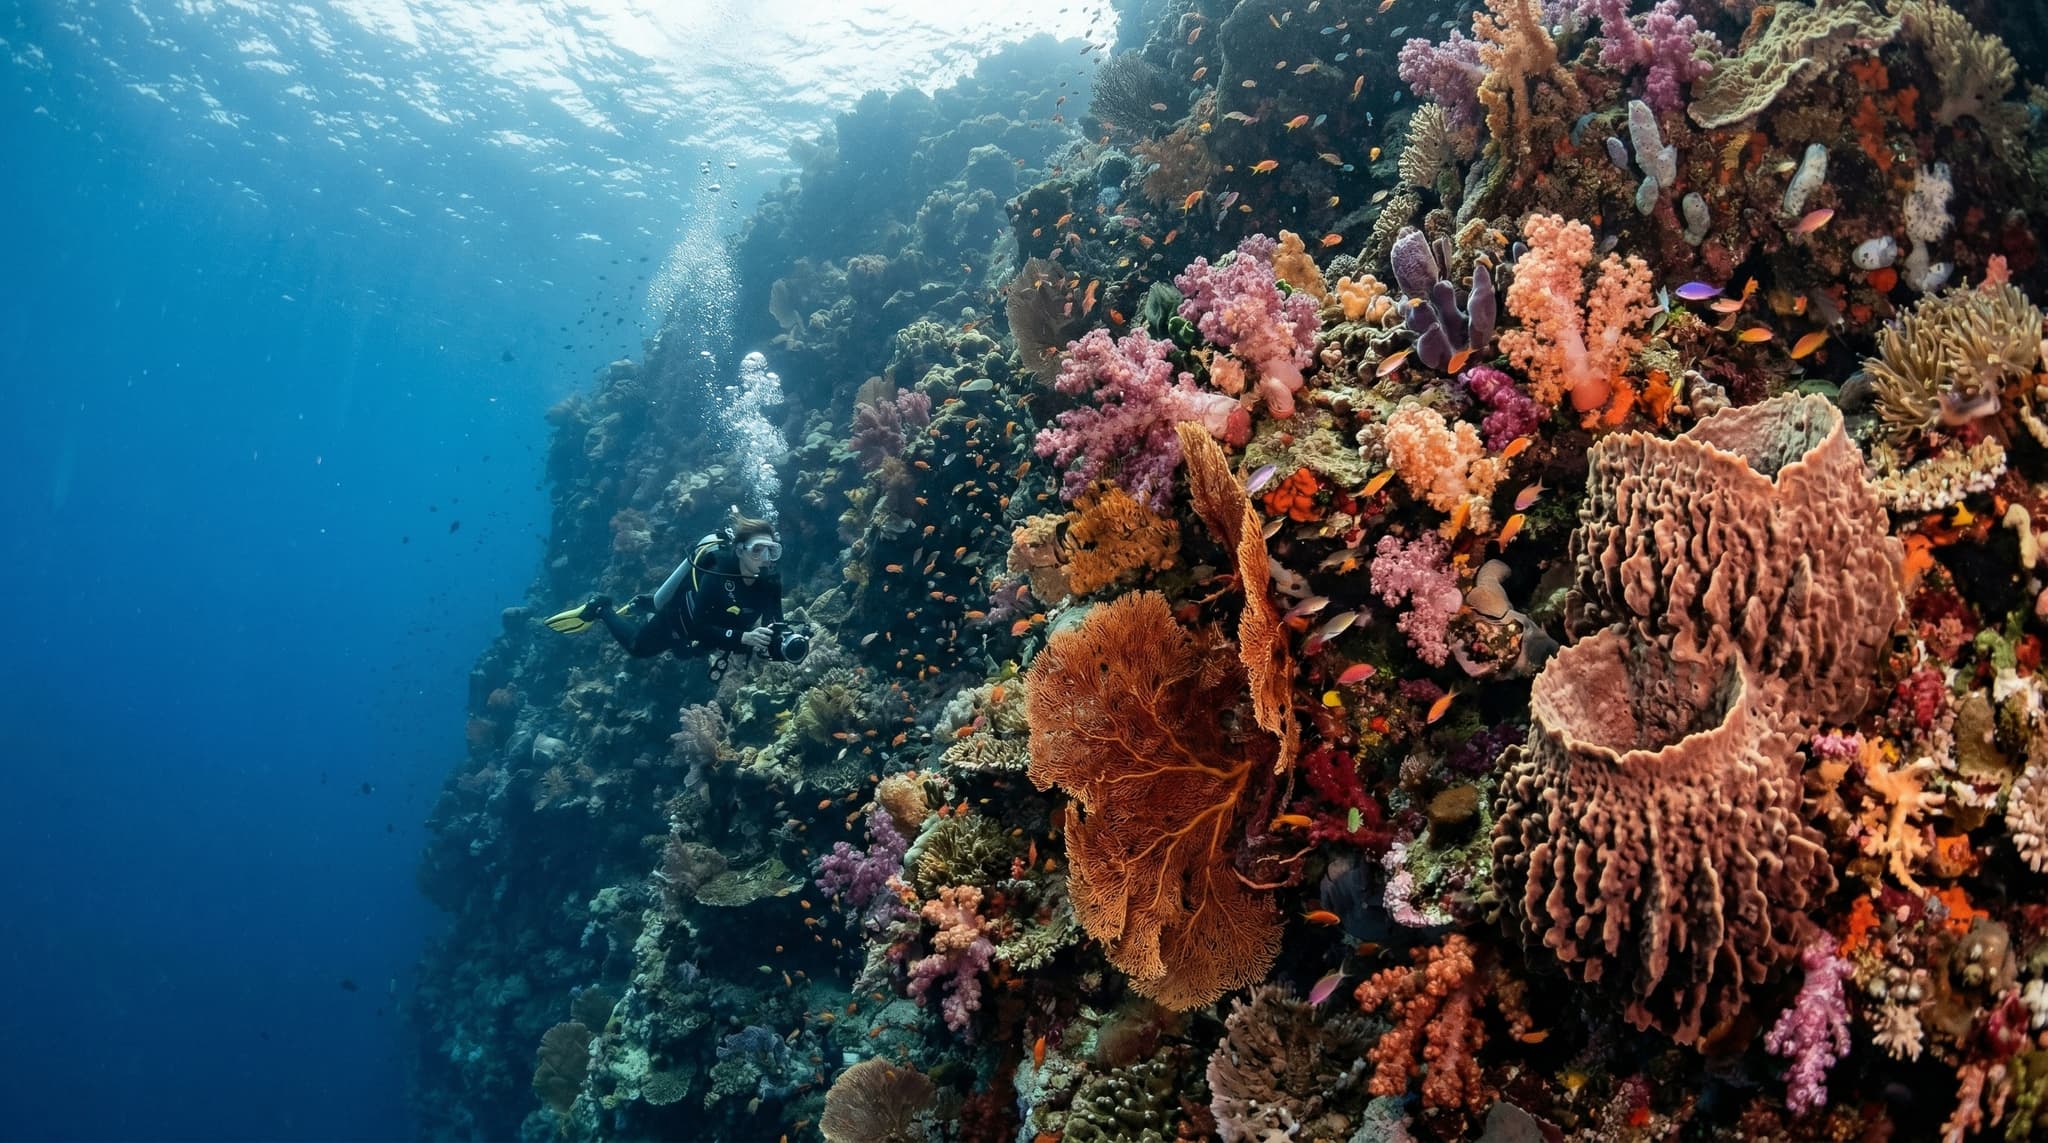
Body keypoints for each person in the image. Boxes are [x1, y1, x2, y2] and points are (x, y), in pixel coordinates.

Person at [544, 509, 807, 670]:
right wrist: (743, 638)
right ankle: (601, 607)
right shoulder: (718, 572)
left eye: (772, 550)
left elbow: (775, 626)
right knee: (638, 647)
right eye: (757, 549)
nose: (766, 558)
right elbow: (698, 626)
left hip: (713, 636)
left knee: (684, 655)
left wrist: (779, 643)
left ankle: (643, 604)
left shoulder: (770, 583)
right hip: (679, 620)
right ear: (739, 550)